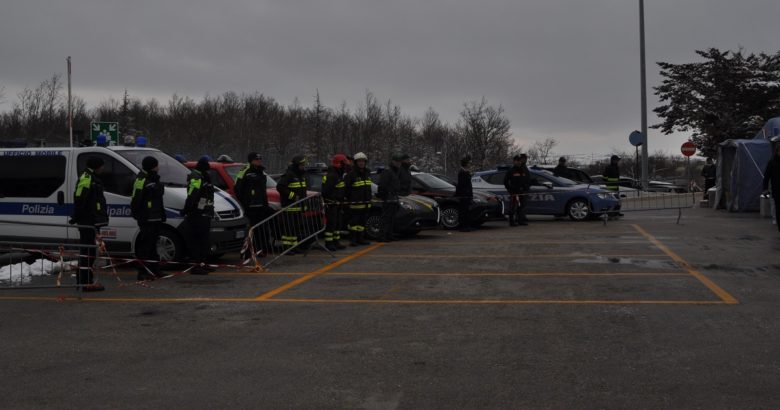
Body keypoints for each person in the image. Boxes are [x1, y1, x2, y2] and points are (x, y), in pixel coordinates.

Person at [69, 156, 108, 292]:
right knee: (87, 252)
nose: (103, 168)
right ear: (96, 166)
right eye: (102, 166)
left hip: (91, 220)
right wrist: (77, 216)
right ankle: (84, 282)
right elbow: (80, 198)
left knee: (89, 251)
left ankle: (85, 280)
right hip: (87, 221)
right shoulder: (87, 178)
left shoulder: (91, 177)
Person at [130, 156, 166, 281]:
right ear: (152, 166)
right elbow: (136, 199)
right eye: (156, 165)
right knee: (145, 246)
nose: (158, 168)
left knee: (152, 246)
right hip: (146, 218)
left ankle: (155, 269)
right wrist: (138, 214)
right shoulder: (141, 180)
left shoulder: (155, 179)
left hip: (156, 217)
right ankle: (142, 272)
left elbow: (159, 199)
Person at [234, 152, 272, 257]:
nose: (259, 160)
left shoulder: (261, 172)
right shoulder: (244, 170)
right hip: (250, 207)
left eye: (260, 158)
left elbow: (263, 191)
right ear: (251, 160)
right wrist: (245, 202)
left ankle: (260, 250)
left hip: (261, 206)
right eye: (257, 159)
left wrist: (265, 204)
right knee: (250, 230)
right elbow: (237, 188)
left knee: (261, 229)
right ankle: (247, 252)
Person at [183, 157, 215, 275]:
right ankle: (196, 265)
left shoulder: (204, 177)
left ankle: (203, 263)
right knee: (196, 240)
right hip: (197, 213)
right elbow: (192, 194)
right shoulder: (196, 177)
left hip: (205, 213)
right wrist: (187, 209)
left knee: (204, 240)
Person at [276, 155, 308, 253]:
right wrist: (292, 195)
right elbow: (280, 187)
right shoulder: (289, 174)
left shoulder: (301, 175)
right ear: (297, 165)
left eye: (304, 164)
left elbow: (303, 191)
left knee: (295, 229)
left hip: (298, 208)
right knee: (288, 229)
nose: (303, 166)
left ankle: (294, 246)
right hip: (290, 208)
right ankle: (286, 247)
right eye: (302, 164)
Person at [344, 152, 373, 246]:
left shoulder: (367, 172)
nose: (361, 163)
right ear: (356, 162)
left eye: (363, 161)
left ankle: (361, 238)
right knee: (353, 223)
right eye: (359, 161)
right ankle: (353, 239)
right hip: (355, 204)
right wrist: (351, 199)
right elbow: (346, 188)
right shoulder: (351, 174)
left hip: (366, 203)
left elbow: (368, 187)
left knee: (362, 223)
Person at [322, 154, 348, 251]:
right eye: (343, 164)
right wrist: (333, 200)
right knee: (331, 224)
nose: (345, 166)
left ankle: (336, 242)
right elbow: (326, 191)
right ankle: (329, 243)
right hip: (331, 204)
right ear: (338, 164)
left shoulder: (338, 175)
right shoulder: (331, 176)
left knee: (337, 224)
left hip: (337, 204)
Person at [377, 154, 402, 242]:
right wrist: (384, 194)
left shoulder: (395, 171)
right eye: (397, 162)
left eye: (399, 162)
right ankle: (382, 236)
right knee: (386, 218)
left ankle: (389, 235)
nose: (399, 164)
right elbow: (382, 184)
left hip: (394, 198)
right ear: (393, 162)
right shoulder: (388, 171)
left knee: (391, 218)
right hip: (388, 198)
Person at [504, 154, 531, 226]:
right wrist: (510, 190)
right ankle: (511, 222)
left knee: (521, 207)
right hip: (514, 192)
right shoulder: (511, 170)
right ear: (514, 161)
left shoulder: (522, 170)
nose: (519, 162)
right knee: (513, 207)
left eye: (520, 161)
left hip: (522, 192)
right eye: (517, 161)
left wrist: (525, 188)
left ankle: (520, 221)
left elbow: (525, 180)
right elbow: (505, 181)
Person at [762, 146, 780, 232]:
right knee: (778, 209)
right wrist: (765, 189)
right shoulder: (772, 162)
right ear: (777, 152)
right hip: (777, 190)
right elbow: (766, 177)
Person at [456, 156, 474, 232]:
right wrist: (464, 194)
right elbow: (461, 184)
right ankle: (462, 226)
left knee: (467, 211)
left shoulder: (466, 172)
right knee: (463, 211)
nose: (470, 164)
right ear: (465, 164)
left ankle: (466, 226)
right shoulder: (462, 172)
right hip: (464, 195)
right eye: (469, 163)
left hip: (467, 194)